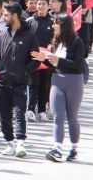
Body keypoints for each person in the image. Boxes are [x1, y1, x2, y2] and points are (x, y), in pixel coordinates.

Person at [31, 14, 86, 163]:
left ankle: (74, 148)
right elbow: (53, 64)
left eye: (56, 24)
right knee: (58, 116)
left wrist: (58, 60)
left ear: (64, 25)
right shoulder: (55, 42)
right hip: (56, 80)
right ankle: (57, 148)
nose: (54, 27)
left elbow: (77, 64)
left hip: (73, 81)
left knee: (72, 117)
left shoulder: (77, 41)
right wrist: (45, 59)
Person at [0, 3, 39, 158]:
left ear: (15, 16)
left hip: (19, 82)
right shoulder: (2, 35)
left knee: (19, 112)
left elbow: (35, 59)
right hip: (2, 81)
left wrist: (25, 71)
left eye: (6, 15)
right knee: (4, 114)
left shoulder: (29, 35)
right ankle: (9, 142)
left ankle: (20, 142)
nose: (4, 17)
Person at [27, 0, 54, 122]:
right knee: (33, 84)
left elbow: (57, 40)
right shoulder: (29, 21)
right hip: (33, 57)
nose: (41, 6)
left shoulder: (53, 22)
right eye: (39, 4)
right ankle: (31, 109)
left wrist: (51, 47)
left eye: (44, 4)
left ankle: (42, 110)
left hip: (47, 58)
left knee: (45, 84)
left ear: (48, 6)